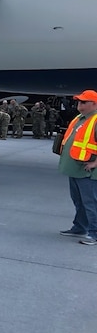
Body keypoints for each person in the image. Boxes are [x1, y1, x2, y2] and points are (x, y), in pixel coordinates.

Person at [57, 90, 97, 245]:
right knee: (79, 200)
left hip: (87, 170)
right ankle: (80, 227)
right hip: (75, 168)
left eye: (84, 102)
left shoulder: (94, 120)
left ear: (94, 104)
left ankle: (94, 233)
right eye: (79, 101)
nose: (79, 104)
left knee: (91, 202)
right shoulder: (80, 118)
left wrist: (95, 163)